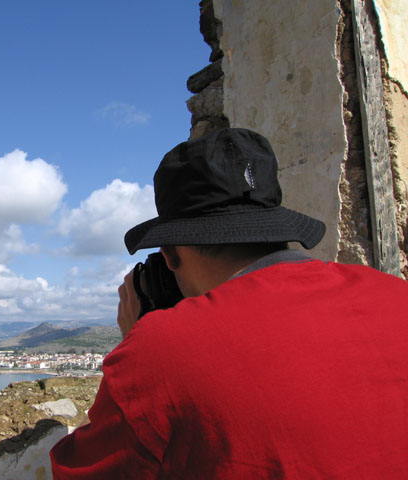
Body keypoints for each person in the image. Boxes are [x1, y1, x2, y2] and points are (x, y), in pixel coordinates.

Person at [49, 128, 408, 479]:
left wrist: (135, 344)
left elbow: (77, 470)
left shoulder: (160, 349)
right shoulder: (395, 294)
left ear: (170, 255)